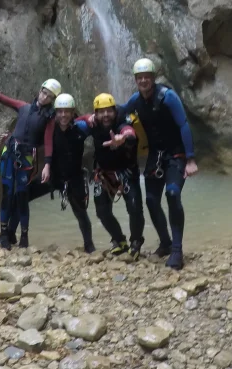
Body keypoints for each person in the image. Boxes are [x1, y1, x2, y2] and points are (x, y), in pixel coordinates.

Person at [118, 58, 197, 270]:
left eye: (147, 77)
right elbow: (120, 113)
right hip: (155, 155)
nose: (143, 81)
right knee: (152, 200)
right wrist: (90, 119)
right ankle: (165, 243)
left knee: (172, 193)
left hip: (176, 154)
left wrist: (190, 159)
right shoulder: (136, 100)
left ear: (153, 78)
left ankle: (177, 251)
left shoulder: (167, 97)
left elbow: (183, 125)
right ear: (135, 80)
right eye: (139, 77)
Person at [0, 74, 60, 249]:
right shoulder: (23, 107)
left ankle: (23, 236)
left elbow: (48, 141)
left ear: (52, 100)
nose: (44, 97)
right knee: (7, 195)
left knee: (21, 197)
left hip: (27, 158)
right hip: (10, 154)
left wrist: (47, 165)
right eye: (44, 93)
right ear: (40, 91)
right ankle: (4, 235)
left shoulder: (49, 118)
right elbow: (1, 98)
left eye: (49, 96)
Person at [86, 92, 145, 259]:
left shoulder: (122, 120)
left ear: (115, 111)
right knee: (102, 211)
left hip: (127, 171)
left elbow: (129, 132)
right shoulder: (93, 123)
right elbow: (81, 120)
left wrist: (124, 137)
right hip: (104, 172)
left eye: (109, 111)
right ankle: (119, 240)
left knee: (134, 208)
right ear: (95, 114)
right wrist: (86, 118)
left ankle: (136, 242)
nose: (106, 115)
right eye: (101, 112)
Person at [39, 93, 96, 253]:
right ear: (56, 113)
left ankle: (89, 246)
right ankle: (13, 235)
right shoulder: (50, 129)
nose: (63, 115)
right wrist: (11, 139)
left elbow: (100, 129)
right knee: (24, 194)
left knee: (81, 213)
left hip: (74, 178)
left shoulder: (81, 128)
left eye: (67, 111)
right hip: (53, 177)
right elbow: (29, 136)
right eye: (60, 111)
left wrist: (89, 117)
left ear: (72, 113)